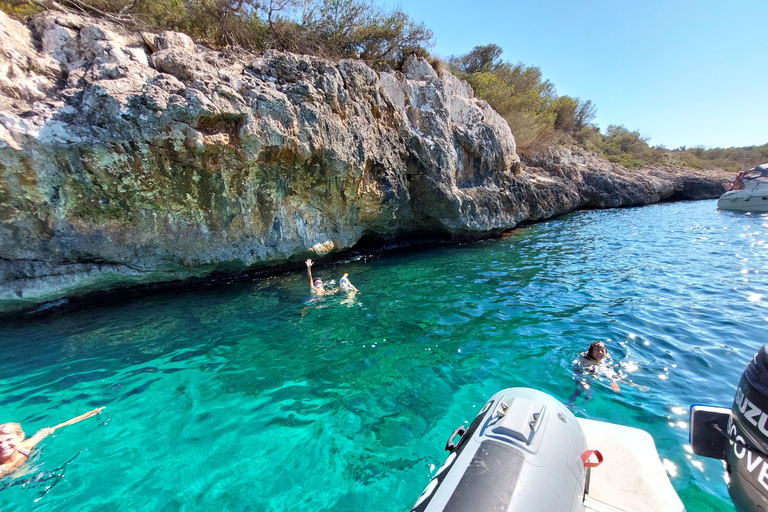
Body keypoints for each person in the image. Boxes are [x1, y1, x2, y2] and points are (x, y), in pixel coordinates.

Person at [0, 407, 104, 477]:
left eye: (9, 440)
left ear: (20, 437)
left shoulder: (26, 446)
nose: (3, 446)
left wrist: (90, 413)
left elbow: (55, 427)